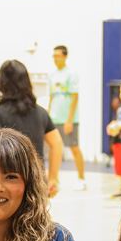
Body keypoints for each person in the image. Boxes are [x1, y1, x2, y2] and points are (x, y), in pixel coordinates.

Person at [0, 59, 63, 197]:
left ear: (0, 83)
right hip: (37, 184)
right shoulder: (41, 112)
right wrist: (52, 178)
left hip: (8, 187)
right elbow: (57, 144)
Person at [49, 44, 88, 190]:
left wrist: (69, 120)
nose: (55, 59)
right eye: (54, 56)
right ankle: (55, 179)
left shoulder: (71, 74)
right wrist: (47, 114)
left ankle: (81, 178)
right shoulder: (52, 75)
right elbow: (51, 96)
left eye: (58, 56)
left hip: (69, 119)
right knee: (55, 148)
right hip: (54, 118)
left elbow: (74, 97)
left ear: (65, 56)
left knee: (74, 147)